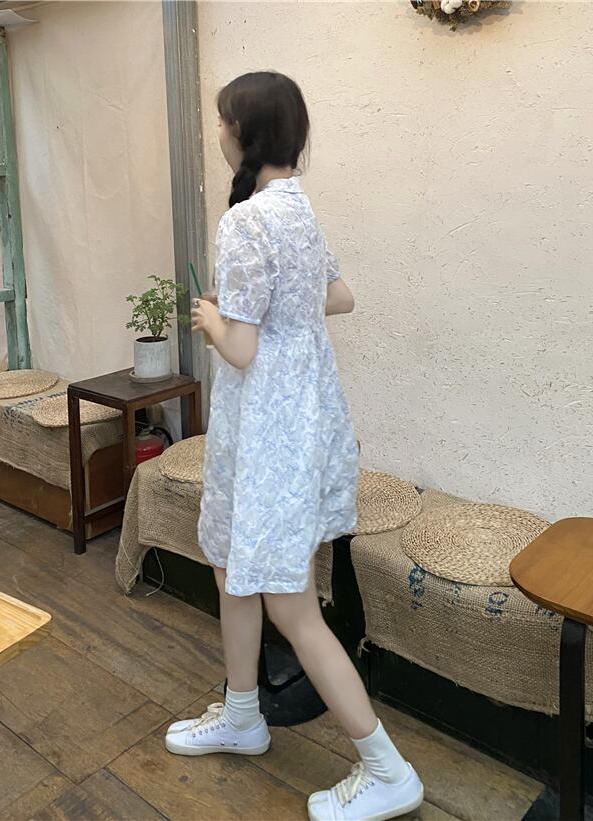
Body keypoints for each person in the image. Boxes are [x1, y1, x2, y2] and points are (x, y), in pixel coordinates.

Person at [166, 71, 424, 821]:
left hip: (269, 438)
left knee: (292, 605)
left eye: (223, 121)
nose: (218, 132)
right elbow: (338, 296)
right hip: (285, 428)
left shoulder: (246, 220)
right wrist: (268, 313)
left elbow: (241, 348)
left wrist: (212, 318)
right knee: (231, 567)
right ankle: (242, 713)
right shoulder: (298, 208)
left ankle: (389, 771)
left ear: (243, 133)